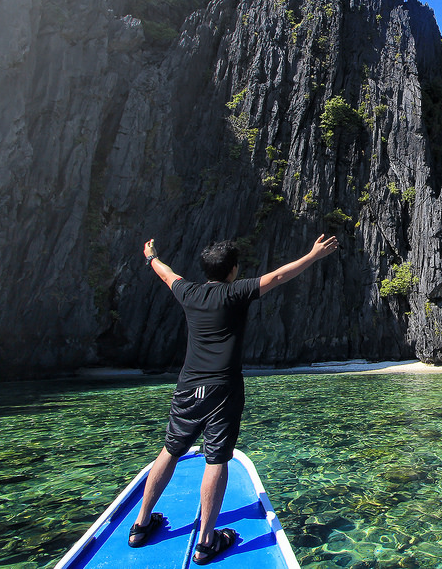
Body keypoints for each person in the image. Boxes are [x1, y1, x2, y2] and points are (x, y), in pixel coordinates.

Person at [129, 234, 339, 565]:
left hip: (188, 387)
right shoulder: (235, 292)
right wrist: (313, 255)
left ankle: (141, 525)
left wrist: (151, 256)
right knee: (216, 459)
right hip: (222, 389)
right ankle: (206, 541)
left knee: (171, 449)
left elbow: (166, 273)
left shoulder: (190, 292)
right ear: (233, 270)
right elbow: (280, 275)